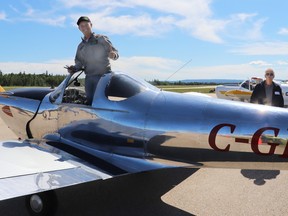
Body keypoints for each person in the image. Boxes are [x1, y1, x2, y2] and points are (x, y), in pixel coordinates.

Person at [66, 16, 119, 105]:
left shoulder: (101, 38)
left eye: (86, 25)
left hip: (103, 76)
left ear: (91, 25)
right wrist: (73, 68)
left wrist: (113, 55)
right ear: (79, 28)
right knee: (90, 102)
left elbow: (115, 53)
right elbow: (79, 63)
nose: (84, 27)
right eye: (81, 26)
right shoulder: (80, 46)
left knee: (101, 103)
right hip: (89, 78)